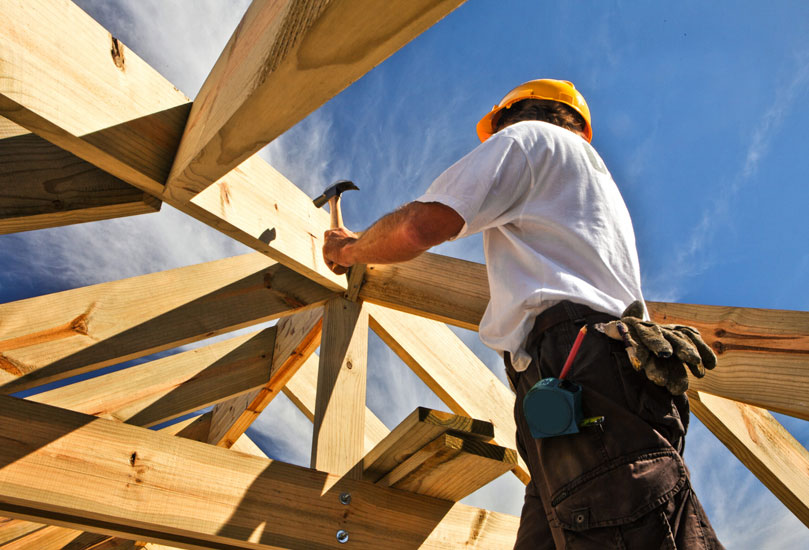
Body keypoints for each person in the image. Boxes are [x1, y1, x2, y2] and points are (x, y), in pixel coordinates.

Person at [322, 79, 723, 549]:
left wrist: (350, 250)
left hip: (578, 370)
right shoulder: (590, 183)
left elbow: (419, 226)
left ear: (512, 117)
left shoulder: (529, 139)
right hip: (589, 384)